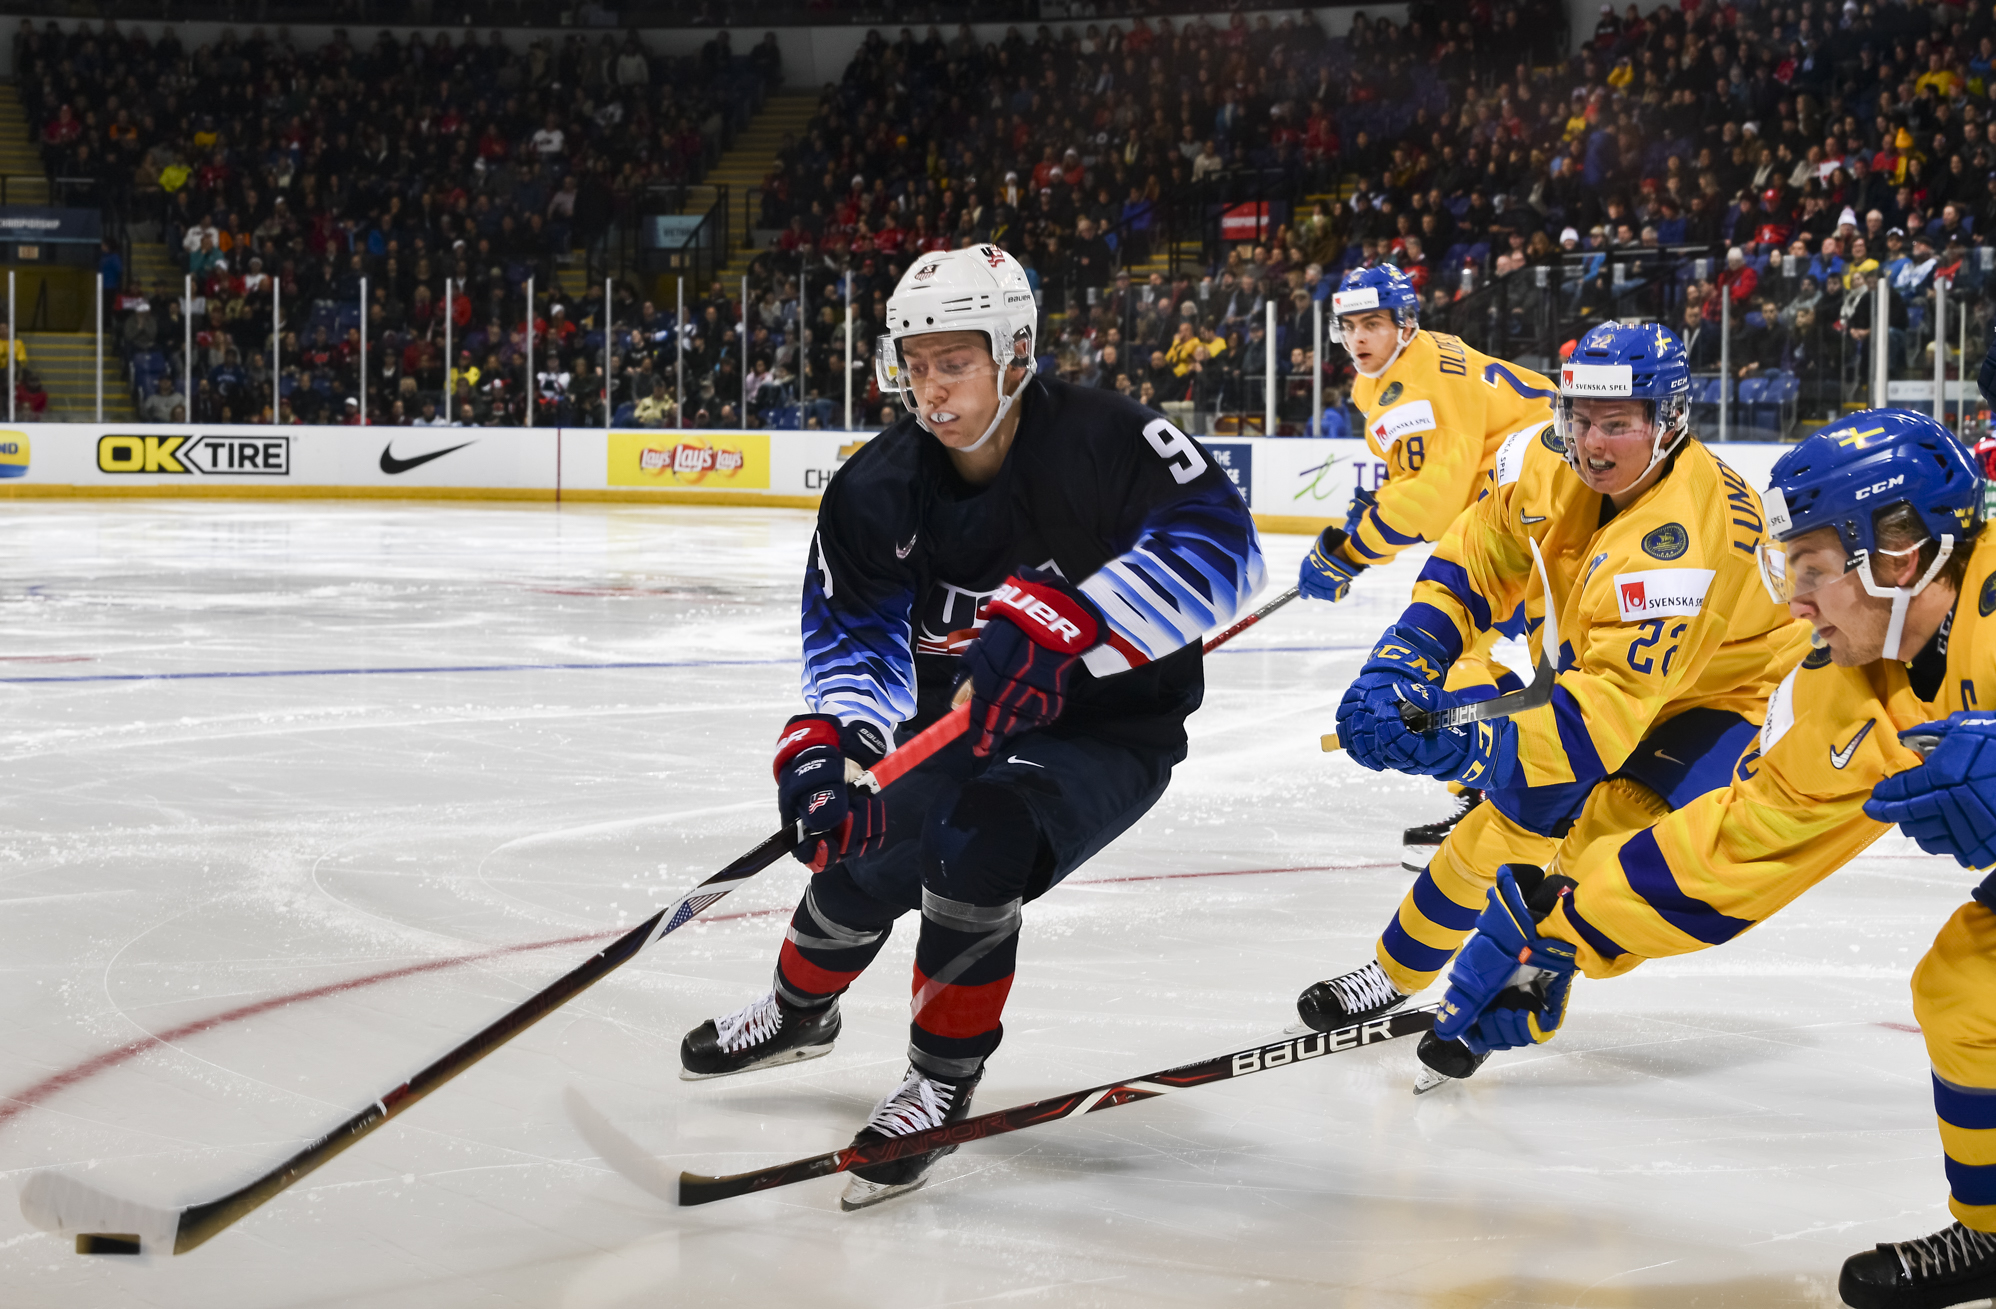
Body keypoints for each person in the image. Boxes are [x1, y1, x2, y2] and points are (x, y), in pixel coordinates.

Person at [676, 246, 1265, 1210]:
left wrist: (1076, 630)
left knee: (973, 842)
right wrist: (838, 749)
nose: (931, 386)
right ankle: (796, 1010)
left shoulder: (1109, 439)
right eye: (915, 362)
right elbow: (855, 647)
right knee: (857, 847)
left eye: (955, 360)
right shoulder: (874, 490)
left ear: (1017, 351)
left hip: (1108, 727)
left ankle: (940, 1081)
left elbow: (1224, 547)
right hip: (958, 721)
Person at [1423, 410, 1996, 1309]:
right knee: (1969, 988)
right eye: (1789, 566)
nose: (1795, 598)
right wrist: (1566, 929)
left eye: (1812, 567)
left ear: (1900, 555)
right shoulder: (1854, 683)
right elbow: (1747, 837)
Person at [1295, 322, 1807, 1047]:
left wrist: (1458, 746)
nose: (1592, 444)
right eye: (1580, 418)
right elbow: (1478, 553)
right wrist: (1406, 654)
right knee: (1502, 824)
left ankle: (1521, 978)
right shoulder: (1542, 456)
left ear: (1671, 419)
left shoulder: (1679, 545)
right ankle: (1392, 972)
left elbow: (1594, 728)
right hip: (1614, 675)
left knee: (1608, 835)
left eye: (1618, 423)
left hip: (1728, 692)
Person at [1298, 264, 1561, 867]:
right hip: (1528, 503)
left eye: (1374, 324)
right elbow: (1437, 475)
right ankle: (1523, 791)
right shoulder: (1411, 369)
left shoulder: (1412, 387)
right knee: (1478, 648)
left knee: (1458, 650)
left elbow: (1433, 500)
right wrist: (1379, 508)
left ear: (1405, 324)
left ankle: (1514, 799)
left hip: (1538, 509)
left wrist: (1350, 549)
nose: (1360, 338)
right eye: (1350, 327)